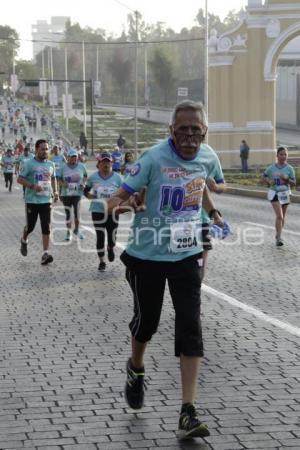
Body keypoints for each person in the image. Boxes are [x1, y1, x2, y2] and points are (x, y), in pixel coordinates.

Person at [107, 100, 225, 439]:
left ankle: (187, 411)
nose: (189, 135)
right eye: (182, 129)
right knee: (148, 323)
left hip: (186, 256)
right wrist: (128, 204)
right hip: (147, 258)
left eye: (195, 129)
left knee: (191, 327)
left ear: (204, 131)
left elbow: (206, 184)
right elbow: (112, 202)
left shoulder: (208, 156)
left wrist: (214, 209)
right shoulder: (152, 158)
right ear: (170, 131)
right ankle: (136, 368)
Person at [18, 139, 59, 265]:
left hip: (46, 200)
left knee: (46, 226)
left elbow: (53, 178)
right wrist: (32, 186)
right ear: (36, 150)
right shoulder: (28, 163)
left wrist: (56, 192)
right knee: (30, 227)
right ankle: (24, 240)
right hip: (32, 200)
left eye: (47, 149)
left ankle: (45, 253)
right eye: (42, 149)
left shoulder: (51, 164)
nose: (45, 151)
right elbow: (20, 179)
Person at [83, 152, 123, 271]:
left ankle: (110, 248)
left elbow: (124, 193)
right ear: (99, 163)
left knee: (112, 237)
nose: (106, 164)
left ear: (111, 163)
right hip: (97, 211)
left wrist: (119, 202)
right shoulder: (93, 177)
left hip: (113, 212)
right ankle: (101, 261)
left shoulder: (118, 177)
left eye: (108, 162)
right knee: (100, 236)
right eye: (103, 162)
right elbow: (86, 191)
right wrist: (90, 196)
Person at [262, 146, 296, 246]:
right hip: (274, 193)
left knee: (283, 217)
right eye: (281, 154)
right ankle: (279, 238)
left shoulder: (290, 168)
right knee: (279, 216)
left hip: (285, 194)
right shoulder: (271, 168)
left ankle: (278, 235)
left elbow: (294, 183)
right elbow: (263, 177)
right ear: (277, 155)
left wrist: (286, 179)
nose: (283, 156)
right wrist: (268, 181)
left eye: (285, 154)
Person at [59, 148, 87, 241]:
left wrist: (83, 183)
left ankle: (77, 230)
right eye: (72, 157)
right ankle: (68, 232)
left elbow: (85, 176)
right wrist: (63, 184)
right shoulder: (63, 167)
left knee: (77, 213)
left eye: (75, 157)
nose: (74, 159)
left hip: (77, 193)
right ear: (68, 157)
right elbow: (58, 178)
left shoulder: (81, 166)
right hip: (66, 194)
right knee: (68, 214)